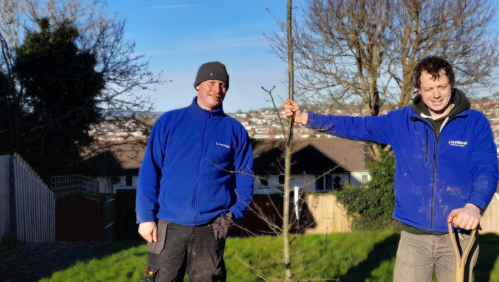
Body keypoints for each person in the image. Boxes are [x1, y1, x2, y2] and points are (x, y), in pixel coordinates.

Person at [284, 56, 498, 282]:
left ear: (451, 85)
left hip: (459, 236)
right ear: (418, 89)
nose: (436, 94)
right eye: (428, 88)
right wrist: (305, 118)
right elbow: (357, 126)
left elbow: (487, 169)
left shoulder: (475, 122)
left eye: (441, 87)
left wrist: (474, 207)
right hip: (414, 238)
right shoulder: (401, 121)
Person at [136, 61, 254, 282]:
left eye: (222, 85)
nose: (217, 90)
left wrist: (231, 216)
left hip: (211, 228)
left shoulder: (234, 130)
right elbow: (149, 171)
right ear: (198, 85)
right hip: (168, 226)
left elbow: (245, 178)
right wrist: (145, 217)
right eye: (211, 82)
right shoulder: (169, 122)